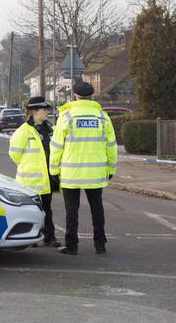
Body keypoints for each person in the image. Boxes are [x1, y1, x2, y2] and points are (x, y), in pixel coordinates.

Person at [49, 81, 117, 255]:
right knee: (97, 208)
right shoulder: (102, 117)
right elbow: (111, 146)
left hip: (71, 174)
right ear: (91, 97)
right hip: (95, 174)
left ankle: (72, 246)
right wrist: (110, 169)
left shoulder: (66, 117)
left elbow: (56, 147)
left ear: (74, 96)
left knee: (71, 211)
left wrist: (54, 170)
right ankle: (100, 244)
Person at [9, 96, 61, 247]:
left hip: (47, 178)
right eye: (44, 110)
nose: (47, 113)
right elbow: (14, 154)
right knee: (32, 211)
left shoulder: (50, 128)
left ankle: (49, 238)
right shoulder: (23, 131)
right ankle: (32, 237)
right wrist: (29, 165)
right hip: (30, 181)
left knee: (47, 209)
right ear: (34, 111)